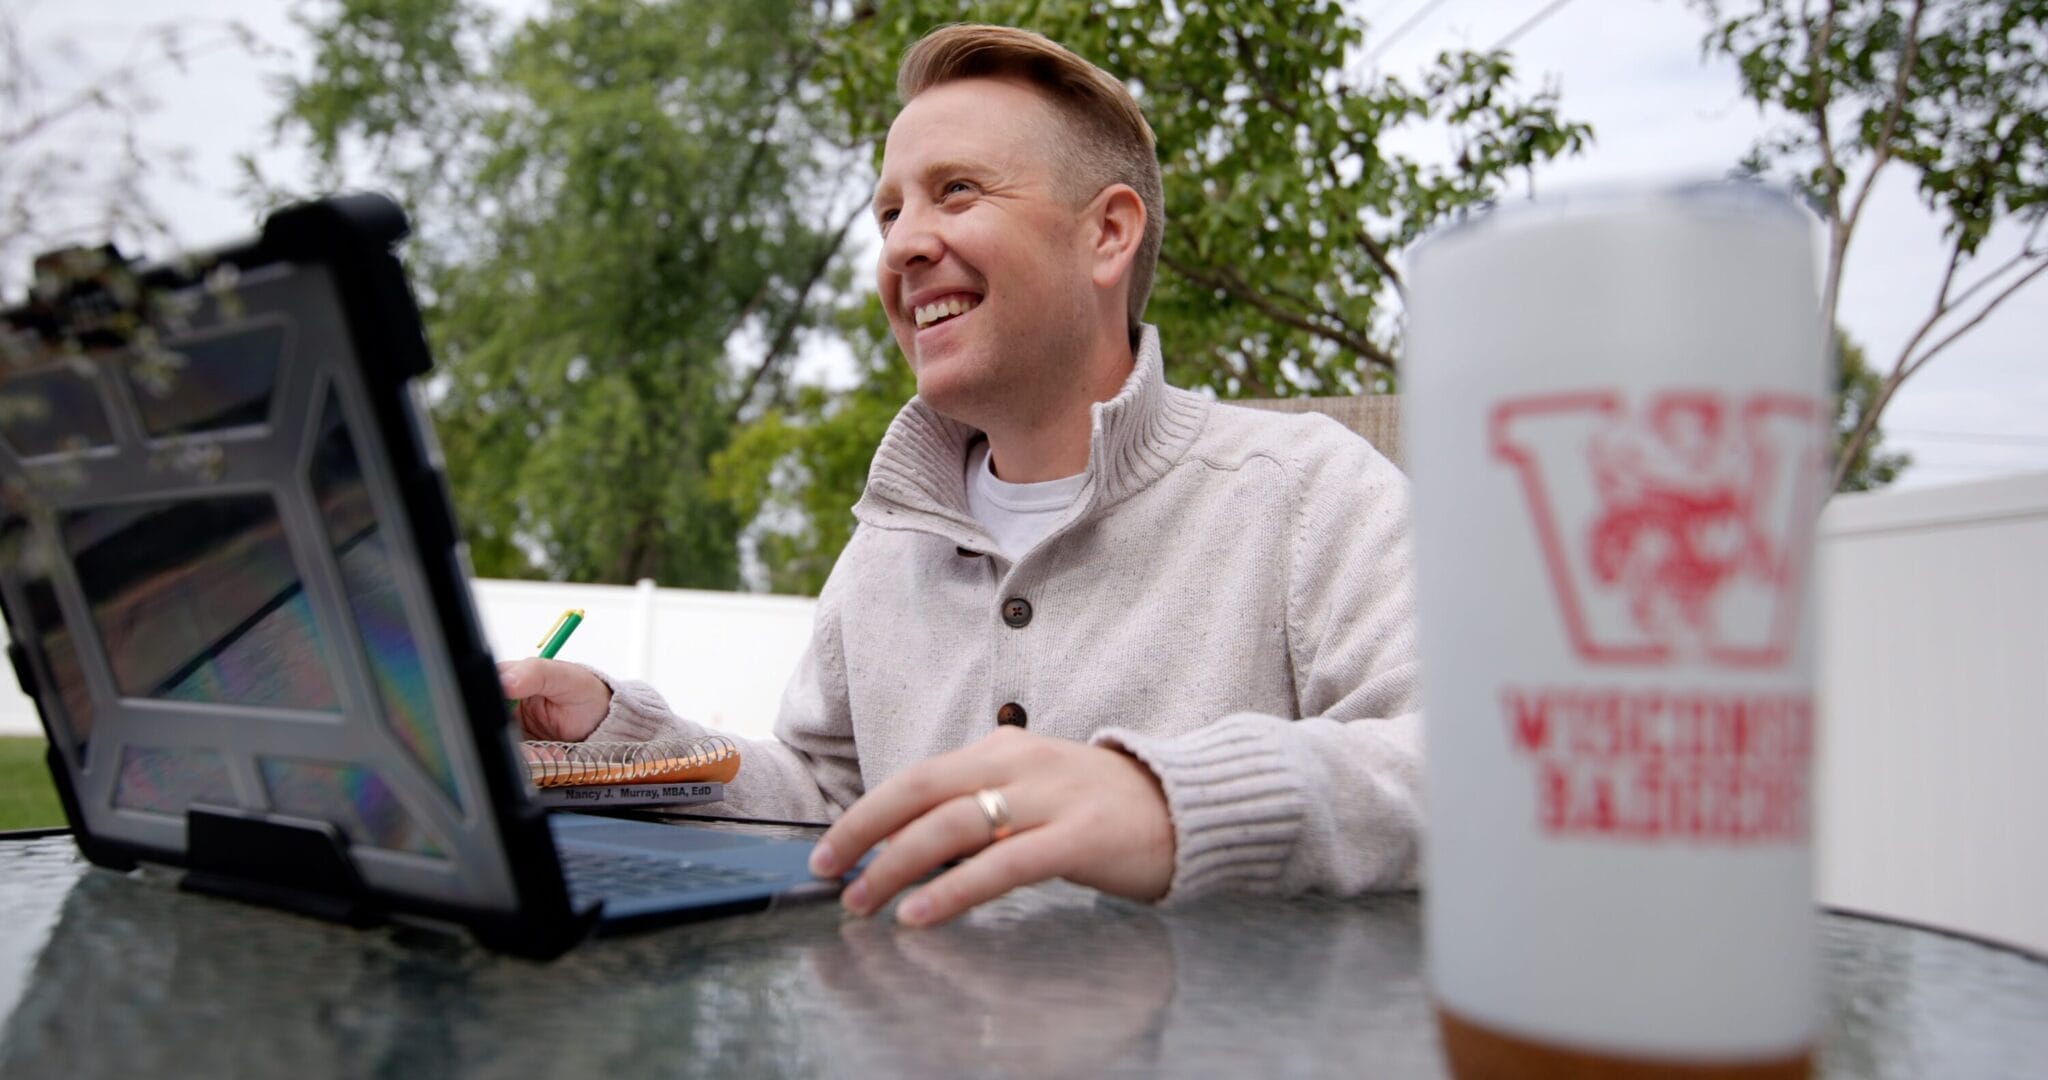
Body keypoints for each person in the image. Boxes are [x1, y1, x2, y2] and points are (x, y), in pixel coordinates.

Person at [497, 23, 1421, 927]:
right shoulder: (889, 539)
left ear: (1107, 234)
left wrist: (1168, 801)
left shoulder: (1311, 494)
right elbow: (827, 799)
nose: (901, 246)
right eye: (890, 212)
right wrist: (619, 741)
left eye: (958, 192)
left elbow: (1475, 764)